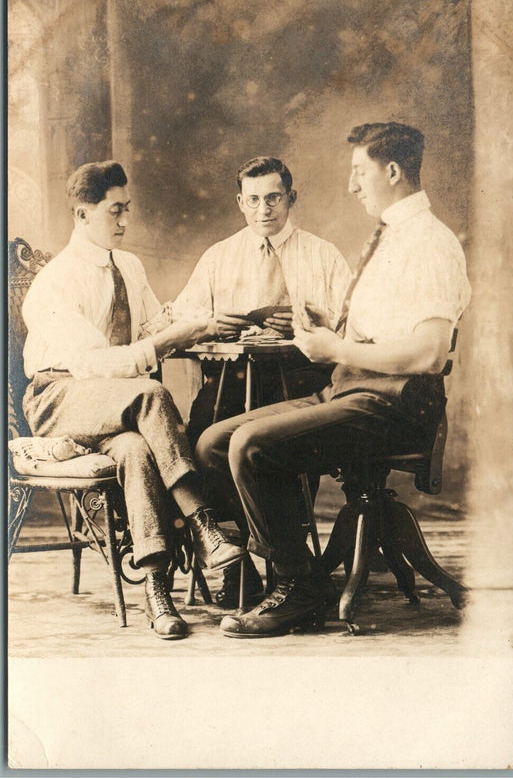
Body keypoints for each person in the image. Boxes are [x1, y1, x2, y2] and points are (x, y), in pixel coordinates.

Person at [195, 122, 472, 638]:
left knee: (252, 445)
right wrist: (326, 328)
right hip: (353, 388)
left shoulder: (430, 243)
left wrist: (337, 348)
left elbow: (431, 353)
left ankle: (297, 590)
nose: (351, 185)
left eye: (358, 171)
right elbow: (379, 330)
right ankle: (292, 568)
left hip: (395, 404)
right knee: (215, 442)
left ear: (391, 171)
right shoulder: (393, 236)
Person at [21, 161, 244, 641]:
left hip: (113, 405)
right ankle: (203, 523)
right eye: (114, 211)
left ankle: (156, 591)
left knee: (136, 451)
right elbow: (95, 366)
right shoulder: (56, 281)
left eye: (127, 209)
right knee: (151, 393)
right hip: (58, 398)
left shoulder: (130, 266)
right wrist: (168, 342)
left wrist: (198, 320)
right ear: (83, 213)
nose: (125, 221)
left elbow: (146, 329)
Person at [172, 156, 352, 607]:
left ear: (291, 198)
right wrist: (211, 322)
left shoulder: (323, 253)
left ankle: (288, 566)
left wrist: (318, 321)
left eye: (273, 198)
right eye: (253, 200)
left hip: (298, 378)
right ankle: (243, 568)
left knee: (276, 451)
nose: (264, 209)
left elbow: (353, 324)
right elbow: (179, 316)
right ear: (239, 203)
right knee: (204, 444)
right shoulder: (219, 255)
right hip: (232, 379)